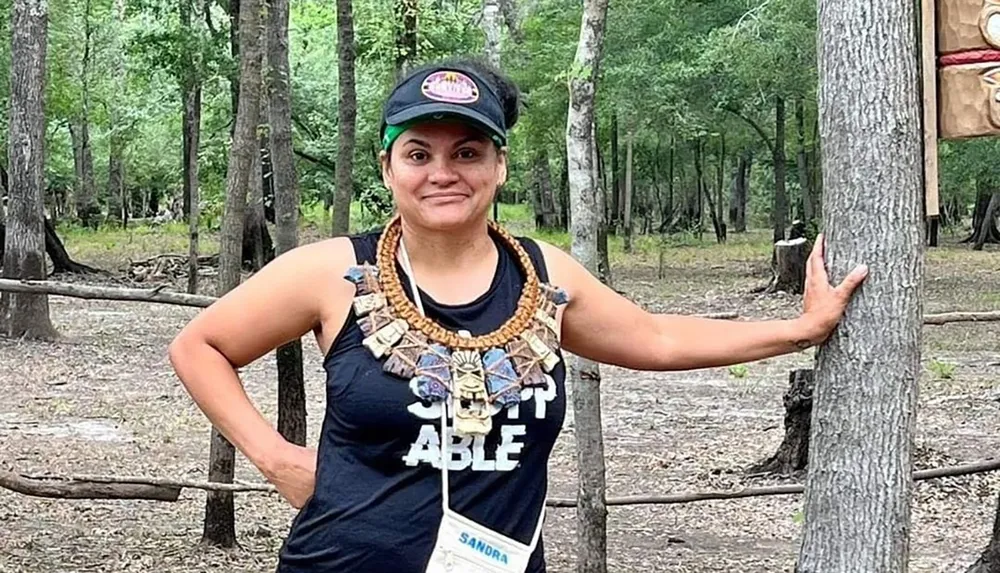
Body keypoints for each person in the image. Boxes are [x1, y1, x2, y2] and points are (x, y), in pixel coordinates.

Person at [168, 58, 868, 573]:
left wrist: (799, 329)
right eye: (419, 153)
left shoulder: (544, 276)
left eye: (467, 152)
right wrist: (279, 458)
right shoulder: (330, 272)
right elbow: (200, 345)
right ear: (388, 168)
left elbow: (655, 335)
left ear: (498, 165)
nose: (443, 171)